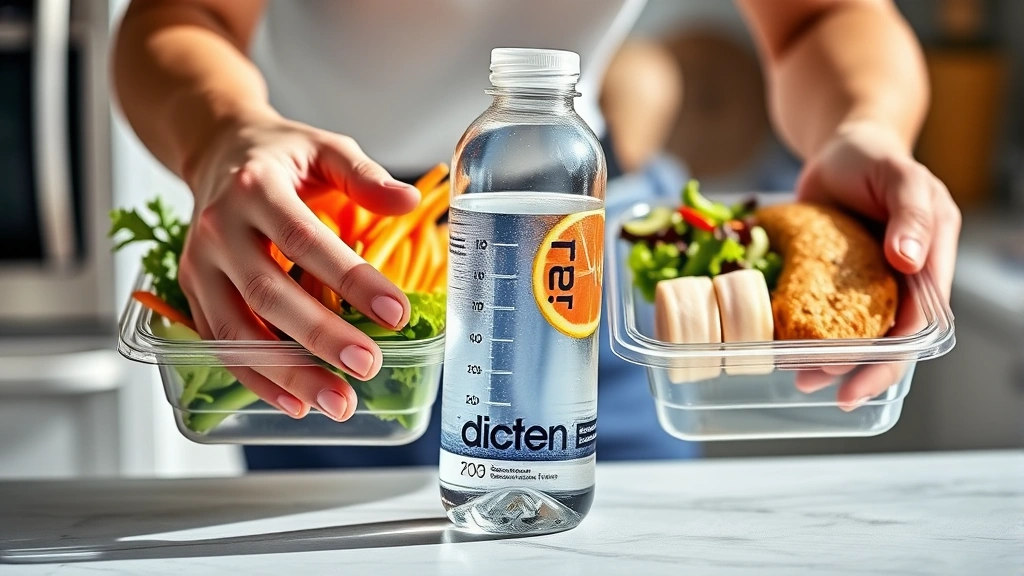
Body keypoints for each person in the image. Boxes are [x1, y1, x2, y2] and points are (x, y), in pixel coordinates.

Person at [112, 0, 960, 470]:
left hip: (585, 250)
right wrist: (227, 134)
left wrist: (867, 128)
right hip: (324, 270)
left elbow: (820, 17)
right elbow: (179, 16)